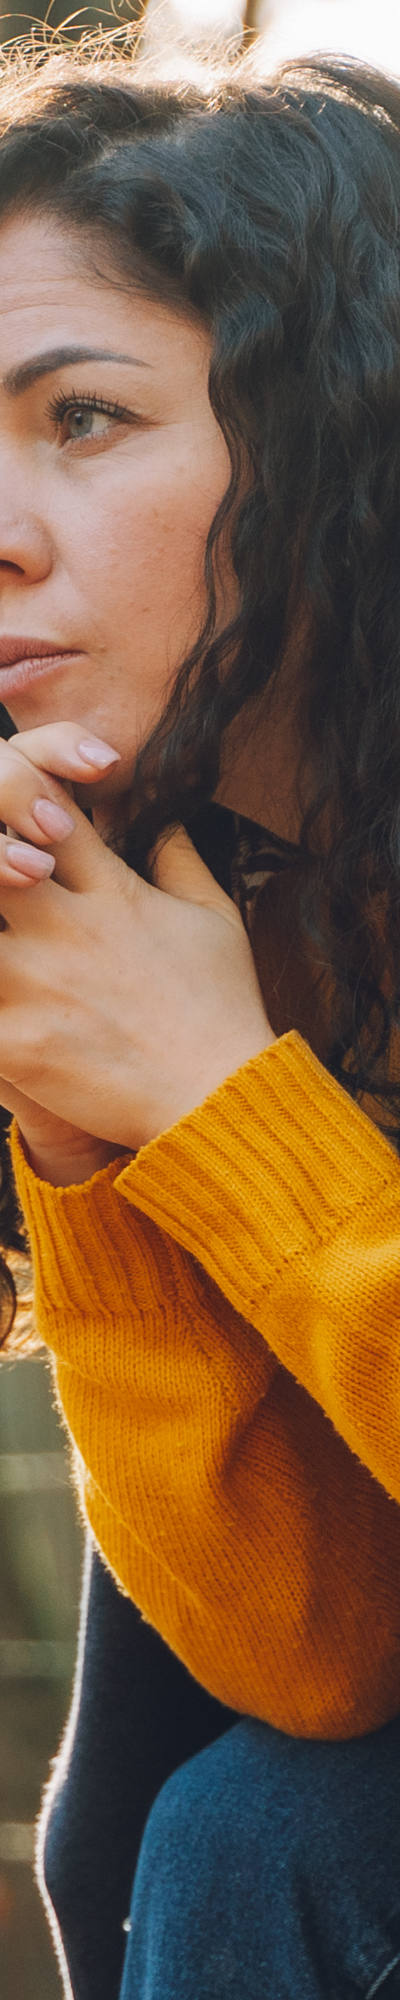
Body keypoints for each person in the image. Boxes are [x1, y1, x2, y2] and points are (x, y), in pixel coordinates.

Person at [0, 30, 400, 1998]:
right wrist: (88, 1137)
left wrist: (222, 1104)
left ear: (335, 432)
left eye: (78, 416)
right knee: (147, 1785)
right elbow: (319, 1653)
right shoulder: (188, 894)